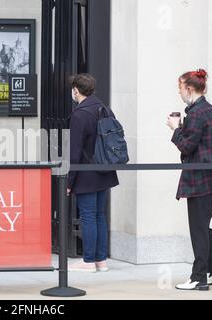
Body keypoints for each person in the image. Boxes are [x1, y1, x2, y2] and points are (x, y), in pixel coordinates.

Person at [167, 69, 212, 291]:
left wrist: (176, 129)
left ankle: (198, 277)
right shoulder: (208, 109)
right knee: (203, 226)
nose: (179, 92)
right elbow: (203, 140)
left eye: (180, 87)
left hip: (201, 180)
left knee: (198, 228)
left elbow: (187, 146)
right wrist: (183, 129)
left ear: (189, 88)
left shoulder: (196, 113)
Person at [67, 74, 119, 272]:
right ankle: (101, 260)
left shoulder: (80, 114)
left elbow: (75, 151)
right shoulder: (104, 108)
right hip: (104, 169)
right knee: (99, 215)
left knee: (88, 215)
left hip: (86, 172)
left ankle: (88, 260)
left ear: (76, 90)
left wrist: (69, 181)